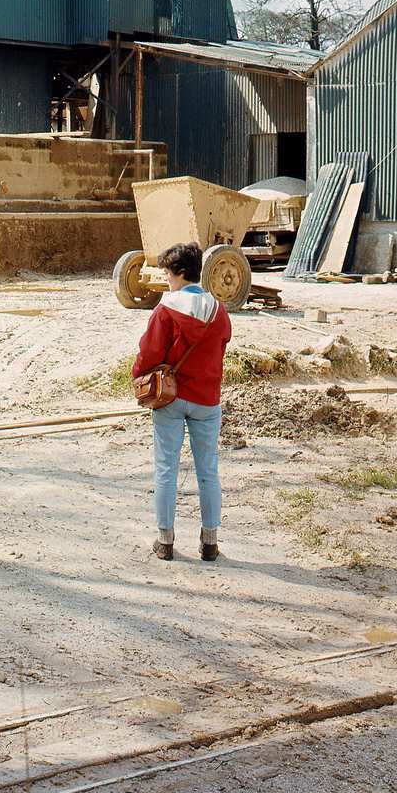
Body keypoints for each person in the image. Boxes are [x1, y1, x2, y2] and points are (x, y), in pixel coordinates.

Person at [131, 241, 232, 562]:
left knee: (166, 469)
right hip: (207, 399)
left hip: (171, 398)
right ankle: (210, 543)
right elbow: (222, 346)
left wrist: (138, 375)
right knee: (208, 471)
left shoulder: (166, 310)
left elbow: (148, 354)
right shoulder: (219, 310)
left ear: (179, 272)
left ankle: (165, 541)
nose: (166, 280)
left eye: (167, 273)